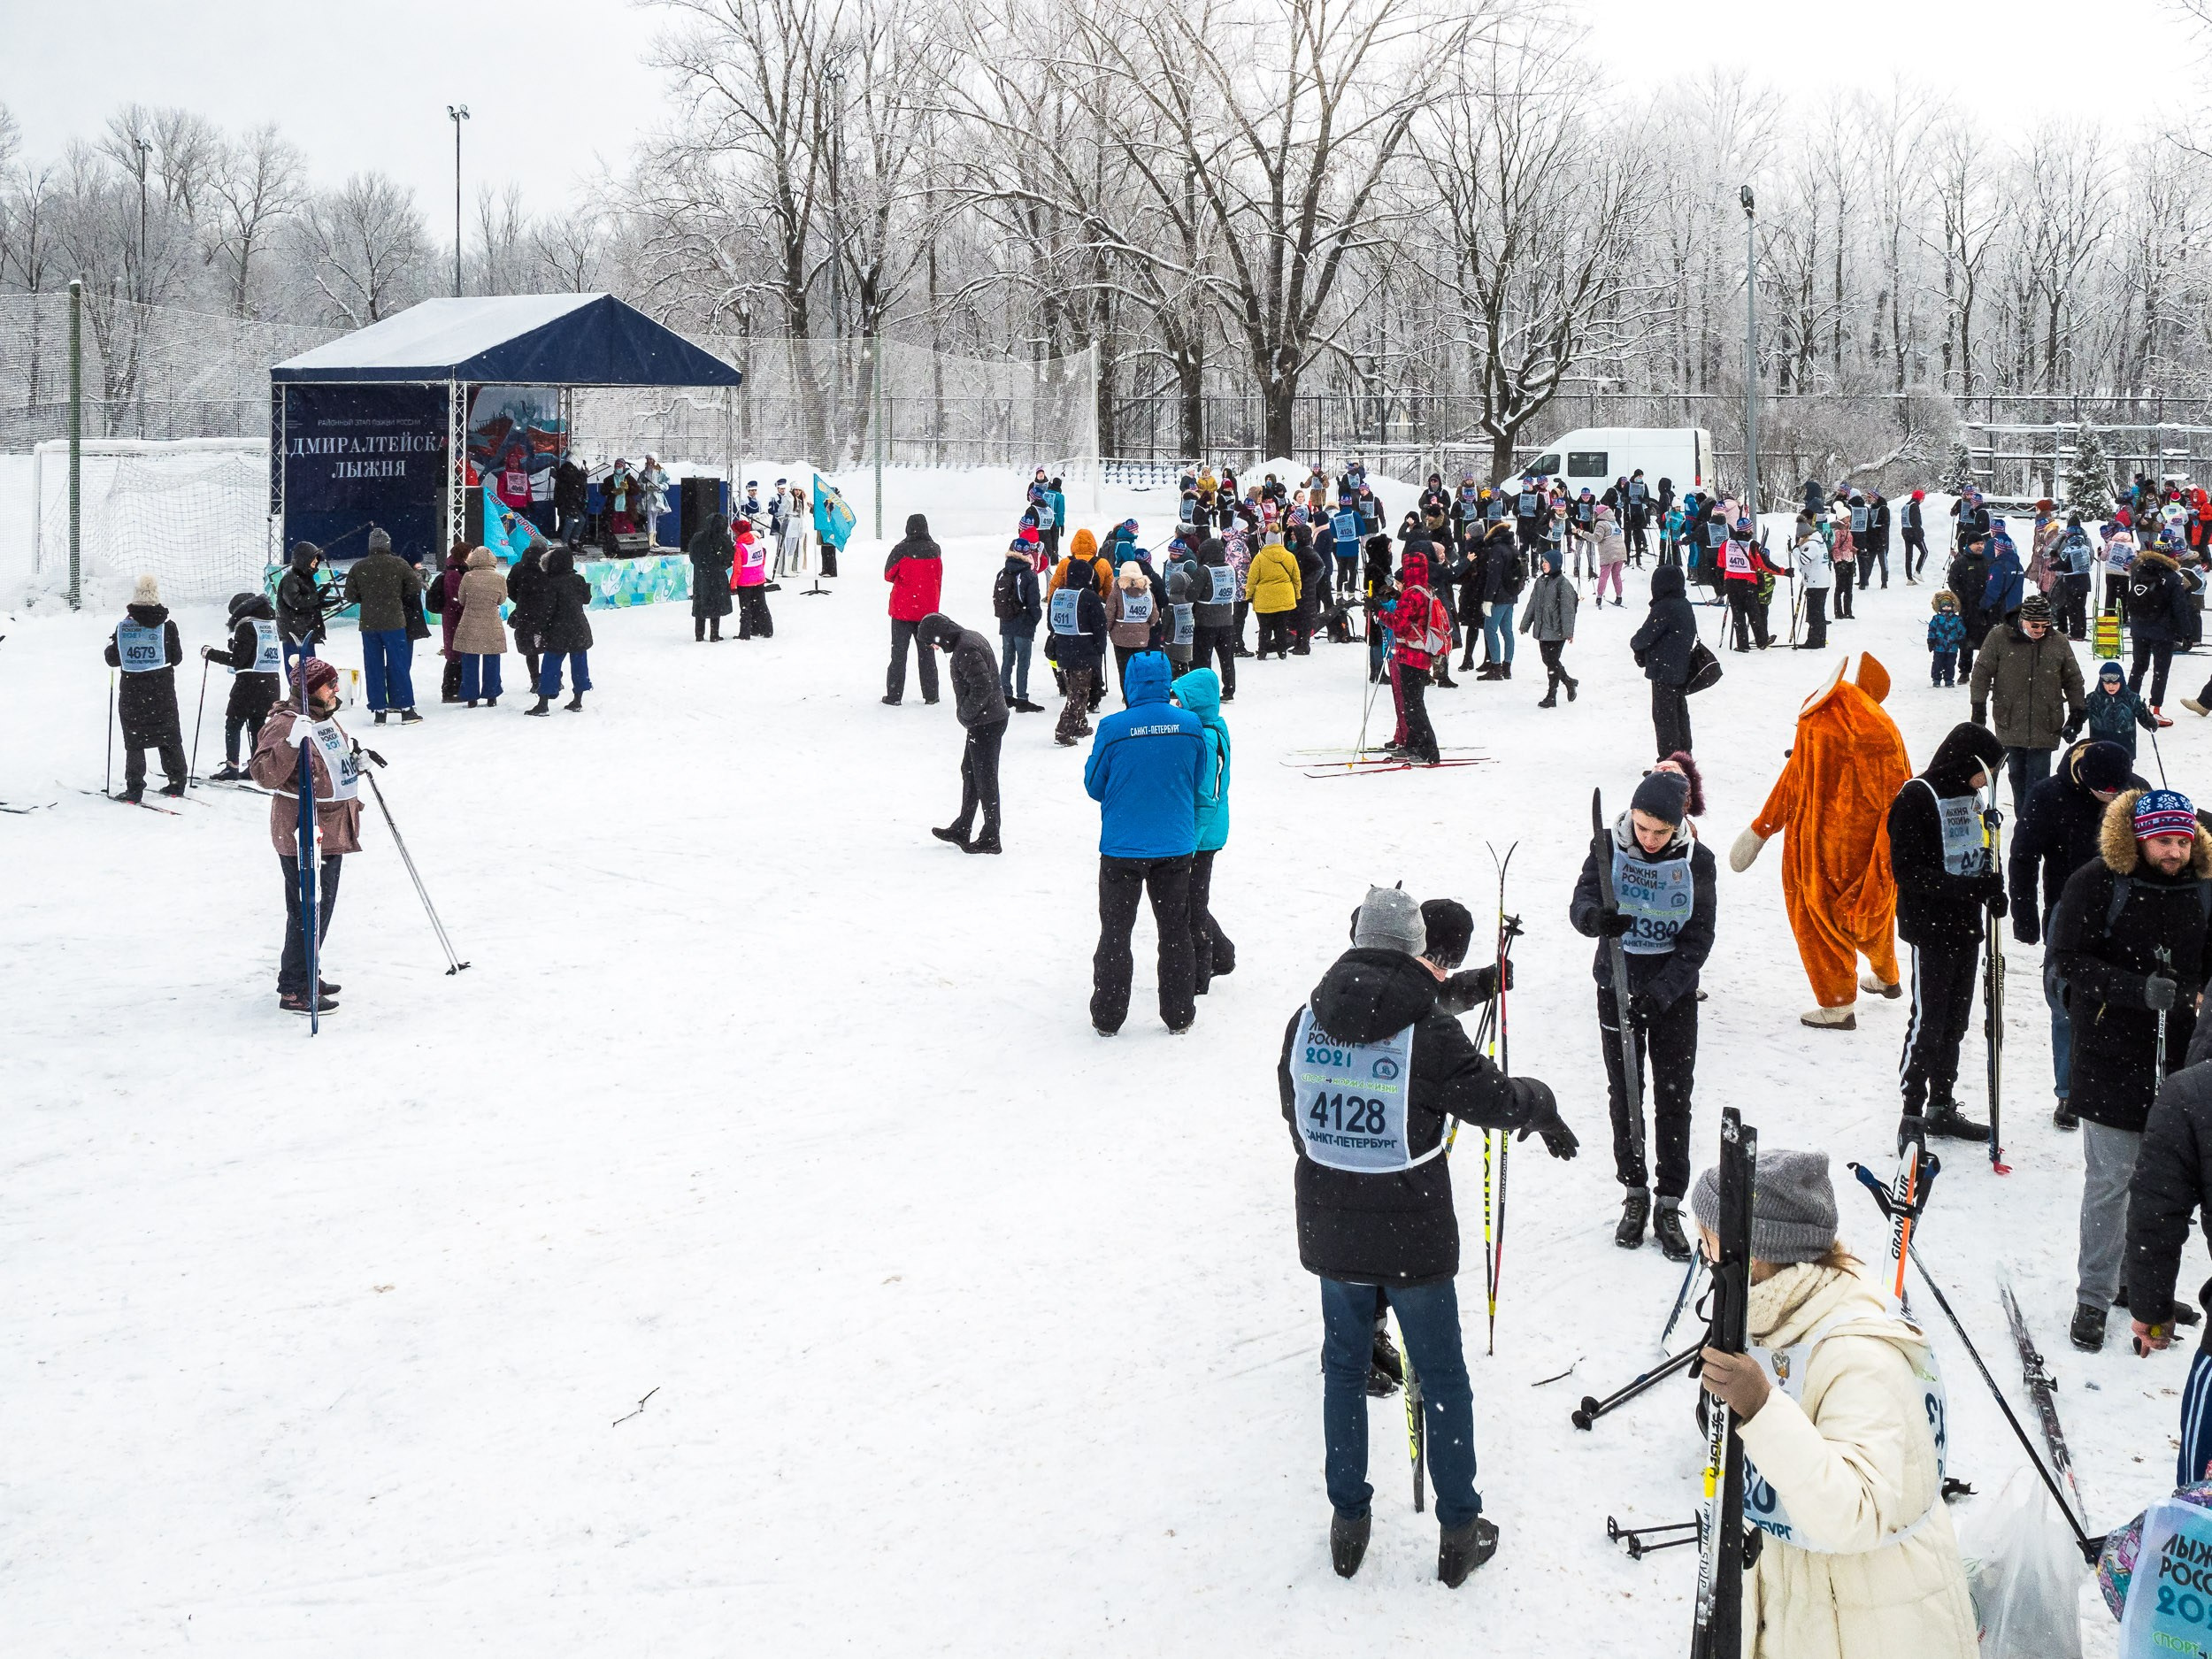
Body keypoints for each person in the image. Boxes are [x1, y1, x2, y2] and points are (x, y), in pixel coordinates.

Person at [1279, 886, 1576, 1585]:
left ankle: (1348, 1521)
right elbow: (1494, 1101)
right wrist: (1541, 1102)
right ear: (1416, 948)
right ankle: (1458, 1529)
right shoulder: (1428, 1029)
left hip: (1332, 1232)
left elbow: (1292, 1107)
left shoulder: (1305, 1016)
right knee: (1441, 1375)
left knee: (1344, 1371)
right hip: (1413, 1236)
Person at [1687, 1151, 1978, 1659]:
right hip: (1806, 1607)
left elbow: (1856, 1513)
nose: (1704, 1257)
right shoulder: (1777, 1317)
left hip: (1874, 1622)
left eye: (1708, 1242)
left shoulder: (1857, 1354)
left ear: (1755, 1256)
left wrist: (1761, 1409)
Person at [2051, 787, 2212, 1350]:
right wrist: (2136, 990)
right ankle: (2093, 1296)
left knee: (2162, 1188)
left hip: (2183, 1065)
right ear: (2139, 837)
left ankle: (2142, 1291)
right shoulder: (2095, 882)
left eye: (2183, 841)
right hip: (2110, 1059)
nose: (2175, 852)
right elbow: (2067, 961)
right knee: (2110, 1183)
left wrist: (2193, 996)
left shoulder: (2204, 888)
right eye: (2164, 841)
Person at [1572, 768, 1716, 1257]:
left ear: (1678, 825)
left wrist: (1662, 993)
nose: (1650, 839)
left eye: (1661, 831)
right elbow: (1581, 902)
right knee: (1625, 1091)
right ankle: (1634, 1191)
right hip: (1617, 985)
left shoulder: (1699, 862)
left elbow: (1698, 939)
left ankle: (1668, 1199)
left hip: (1669, 995)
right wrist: (1597, 919)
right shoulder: (1608, 846)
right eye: (1642, 827)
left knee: (1674, 1096)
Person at [1886, 721, 2008, 1142]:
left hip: (1965, 924)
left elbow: (1979, 854)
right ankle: (1911, 1111)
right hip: (1931, 925)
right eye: (1985, 771)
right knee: (1929, 1021)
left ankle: (1942, 1102)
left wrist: (1992, 888)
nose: (1988, 781)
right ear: (1964, 761)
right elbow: (1907, 870)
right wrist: (1965, 888)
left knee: (1956, 1021)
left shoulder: (1971, 797)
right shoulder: (1916, 796)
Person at [2011, 740, 2141, 1133]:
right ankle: (2069, 1092)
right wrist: (2025, 917)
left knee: (2121, 1001)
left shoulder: (2136, 790)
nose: (2110, 798)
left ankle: (2119, 1086)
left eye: (2117, 791)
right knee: (2066, 1004)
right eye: (2104, 790)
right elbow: (2023, 855)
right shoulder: (2048, 795)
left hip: (2125, 915)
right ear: (2084, 775)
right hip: (2066, 913)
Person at [1084, 652, 1208, 1035]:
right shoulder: (1190, 725)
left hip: (1123, 846)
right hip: (1175, 844)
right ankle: (1179, 1014)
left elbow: (1094, 785)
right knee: (1174, 930)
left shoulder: (1113, 727)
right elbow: (1198, 777)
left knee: (1116, 932)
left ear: (1129, 683)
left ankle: (1108, 1016)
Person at [248, 657, 360, 1016]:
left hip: (331, 826)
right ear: (309, 689)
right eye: (329, 684)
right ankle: (294, 987)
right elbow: (264, 774)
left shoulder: (323, 718)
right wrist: (290, 744)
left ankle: (308, 970)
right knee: (306, 909)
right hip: (304, 831)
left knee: (319, 908)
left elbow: (328, 762)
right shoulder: (285, 725)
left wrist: (355, 760)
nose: (337, 689)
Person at [1969, 591, 2085, 821]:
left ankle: (2034, 820)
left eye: (2045, 625)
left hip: (2046, 721)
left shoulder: (2058, 641)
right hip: (2010, 720)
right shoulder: (1998, 637)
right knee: (2017, 775)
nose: (2040, 630)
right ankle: (2025, 818)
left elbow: (2073, 678)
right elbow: (1981, 673)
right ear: (2023, 620)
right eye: (2035, 625)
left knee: (2039, 777)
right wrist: (1978, 708)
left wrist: (2077, 712)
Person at [916, 613, 1007, 854]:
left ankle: (991, 836)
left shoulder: (965, 648)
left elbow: (982, 686)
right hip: (986, 720)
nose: (934, 648)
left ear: (940, 635)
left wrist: (966, 713)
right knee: (971, 771)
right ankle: (963, 826)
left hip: (987, 722)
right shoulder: (966, 640)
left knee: (985, 778)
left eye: (932, 643)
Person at [1176, 665, 1235, 995]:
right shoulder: (1206, 729)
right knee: (1192, 898)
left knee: (1193, 903)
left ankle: (1203, 970)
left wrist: (1192, 842)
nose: (1179, 706)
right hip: (1201, 831)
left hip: (1204, 835)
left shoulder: (1208, 737)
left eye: (1184, 701)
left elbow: (1207, 797)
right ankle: (1223, 954)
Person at [103, 573, 187, 800]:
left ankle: (134, 788)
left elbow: (112, 659)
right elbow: (177, 658)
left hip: (132, 691)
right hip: (162, 690)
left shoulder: (123, 627)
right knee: (169, 735)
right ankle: (177, 781)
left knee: (135, 740)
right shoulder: (168, 626)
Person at [344, 528, 426, 726]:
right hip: (394, 622)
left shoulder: (359, 567)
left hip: (369, 624)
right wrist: (396, 593)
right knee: (398, 665)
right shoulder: (399, 564)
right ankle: (405, 709)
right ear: (388, 544)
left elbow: (350, 595)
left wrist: (368, 598)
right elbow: (415, 587)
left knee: (373, 666)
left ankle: (379, 711)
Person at [201, 589, 283, 781]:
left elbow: (238, 660)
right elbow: (255, 652)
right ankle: (256, 766)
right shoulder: (270, 624)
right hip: (271, 681)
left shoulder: (246, 625)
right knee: (256, 724)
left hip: (249, 683)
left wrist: (211, 653)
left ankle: (232, 766)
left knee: (234, 723)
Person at [1376, 555, 1451, 765]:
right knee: (1412, 704)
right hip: (1419, 653)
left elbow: (1400, 624)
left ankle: (1428, 749)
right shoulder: (1424, 590)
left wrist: (1379, 613)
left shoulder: (1411, 594)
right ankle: (1414, 744)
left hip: (1411, 654)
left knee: (1414, 706)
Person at [1629, 564, 1698, 759]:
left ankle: (1669, 761)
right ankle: (1684, 756)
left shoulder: (1665, 606)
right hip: (1680, 667)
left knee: (1664, 717)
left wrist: (1636, 645)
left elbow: (1644, 636)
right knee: (1679, 714)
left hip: (1664, 669)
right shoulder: (1683, 603)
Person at [1048, 555, 1110, 747]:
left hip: (1063, 649)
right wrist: (1100, 647)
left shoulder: (1058, 593)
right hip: (1084, 650)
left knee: (1073, 688)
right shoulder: (1089, 597)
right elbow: (1100, 626)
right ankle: (1064, 730)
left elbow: (1051, 624)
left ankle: (1079, 724)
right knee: (1080, 692)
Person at [883, 513, 943, 706]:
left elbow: (888, 574)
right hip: (927, 613)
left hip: (902, 611)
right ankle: (931, 695)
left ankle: (894, 696)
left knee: (898, 655)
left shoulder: (901, 549)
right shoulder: (935, 550)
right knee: (927, 656)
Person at [2127, 541, 2190, 720]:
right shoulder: (2173, 577)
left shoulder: (2138, 570)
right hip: (2163, 630)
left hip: (2139, 627)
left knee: (2138, 666)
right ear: (2170, 555)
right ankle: (2155, 709)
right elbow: (2180, 608)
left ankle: (2129, 703)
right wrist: (2186, 633)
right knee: (2160, 671)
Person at [527, 548, 593, 715]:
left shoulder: (552, 583)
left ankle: (543, 703)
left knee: (551, 664)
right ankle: (578, 700)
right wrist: (586, 589)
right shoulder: (578, 579)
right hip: (578, 627)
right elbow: (586, 600)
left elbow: (547, 610)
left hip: (558, 630)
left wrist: (539, 628)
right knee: (579, 664)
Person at [1520, 549, 1578, 708]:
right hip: (1542, 629)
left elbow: (1568, 610)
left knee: (1552, 662)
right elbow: (1532, 604)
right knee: (1548, 660)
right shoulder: (1540, 581)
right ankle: (1568, 681)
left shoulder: (1563, 584)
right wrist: (1525, 623)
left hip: (1556, 630)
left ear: (1555, 564)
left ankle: (1551, 696)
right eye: (1543, 562)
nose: (1543, 564)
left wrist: (1568, 632)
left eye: (1547, 562)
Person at [452, 547, 510, 706]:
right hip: (492, 622)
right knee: (492, 658)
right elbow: (502, 600)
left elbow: (462, 600)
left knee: (470, 659)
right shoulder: (499, 578)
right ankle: (491, 695)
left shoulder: (468, 577)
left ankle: (471, 696)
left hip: (470, 622)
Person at [992, 538, 1045, 712]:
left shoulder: (1002, 572)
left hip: (1006, 621)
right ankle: (1022, 698)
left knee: (1007, 659)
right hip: (1023, 623)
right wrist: (1034, 619)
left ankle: (1005, 695)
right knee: (1023, 661)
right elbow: (1034, 604)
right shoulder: (1029, 575)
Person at [2072, 659, 2160, 759]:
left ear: (2121, 681)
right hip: (2099, 747)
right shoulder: (2093, 699)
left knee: (2123, 773)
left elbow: (2143, 716)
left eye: (2115, 683)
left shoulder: (2131, 698)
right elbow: (2079, 717)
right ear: (2101, 683)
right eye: (2107, 683)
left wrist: (2149, 721)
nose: (2111, 686)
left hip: (2125, 746)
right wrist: (2072, 727)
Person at [274, 541, 337, 676]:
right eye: (313, 557)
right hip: (295, 634)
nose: (316, 561)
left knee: (310, 673)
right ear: (303, 559)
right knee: (297, 673)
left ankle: (308, 696)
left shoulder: (305, 577)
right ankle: (298, 696)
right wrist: (319, 596)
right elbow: (296, 602)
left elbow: (307, 604)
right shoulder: (291, 578)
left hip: (305, 632)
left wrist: (323, 602)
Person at [1474, 519, 1521, 680]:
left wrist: (1488, 599)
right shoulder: (1513, 547)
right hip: (1511, 594)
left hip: (1499, 597)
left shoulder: (1496, 549)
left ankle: (1496, 666)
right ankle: (1507, 666)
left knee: (1490, 630)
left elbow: (1494, 576)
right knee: (1507, 631)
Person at [1108, 559, 1159, 698]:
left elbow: (1109, 614)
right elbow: (1154, 616)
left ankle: (1127, 695)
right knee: (1140, 669)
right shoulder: (1147, 592)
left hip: (1120, 639)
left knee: (1124, 669)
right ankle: (1140, 695)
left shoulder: (1117, 592)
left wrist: (1109, 629)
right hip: (1142, 639)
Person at [1946, 533, 1991, 682]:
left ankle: (1986, 674)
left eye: (1982, 544)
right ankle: (1964, 672)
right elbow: (1953, 582)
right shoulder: (1960, 563)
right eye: (1977, 543)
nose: (1980, 546)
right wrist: (1963, 598)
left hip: (1985, 608)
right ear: (1969, 545)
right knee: (1966, 642)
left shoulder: (1987, 562)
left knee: (1987, 643)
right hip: (1967, 609)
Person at [1248, 534, 1301, 659]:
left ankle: (1262, 652)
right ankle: (1282, 652)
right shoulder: (1289, 556)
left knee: (1264, 628)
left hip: (1264, 599)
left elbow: (1252, 579)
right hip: (1285, 597)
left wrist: (1248, 594)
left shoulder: (1259, 558)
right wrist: (1297, 594)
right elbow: (1296, 578)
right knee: (1281, 626)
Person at [507, 543, 549, 690]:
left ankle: (535, 679)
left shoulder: (518, 568)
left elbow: (510, 589)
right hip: (546, 613)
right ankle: (551, 677)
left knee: (530, 649)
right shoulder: (548, 568)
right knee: (550, 646)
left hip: (525, 612)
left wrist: (521, 600)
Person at [687, 511, 733, 642]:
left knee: (700, 604)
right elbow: (729, 557)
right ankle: (714, 634)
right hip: (717, 576)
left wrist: (702, 566)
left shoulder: (698, 537)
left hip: (701, 576)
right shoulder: (724, 539)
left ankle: (699, 635)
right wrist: (720, 566)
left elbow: (692, 556)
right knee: (716, 605)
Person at [1790, 513, 1833, 649]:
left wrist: (1795, 550)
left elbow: (1804, 560)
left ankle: (1813, 640)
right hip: (1821, 581)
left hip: (1816, 583)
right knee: (1819, 613)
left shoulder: (1812, 545)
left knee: (1814, 614)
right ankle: (1820, 639)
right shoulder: (1819, 542)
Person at [434, 539, 469, 703]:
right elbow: (456, 600)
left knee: (455, 653)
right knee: (455, 655)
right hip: (454, 618)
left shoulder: (454, 569)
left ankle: (453, 689)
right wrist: (466, 612)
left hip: (452, 617)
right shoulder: (455, 573)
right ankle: (450, 691)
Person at [733, 518, 774, 639]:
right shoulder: (757, 542)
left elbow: (737, 568)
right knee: (761, 605)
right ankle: (767, 629)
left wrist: (733, 584)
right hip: (759, 579)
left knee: (746, 608)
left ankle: (745, 633)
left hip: (745, 582)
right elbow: (762, 559)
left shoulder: (739, 547)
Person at [1926, 592, 1963, 687]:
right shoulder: (1937, 619)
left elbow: (1961, 630)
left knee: (1950, 664)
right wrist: (1931, 640)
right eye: (1944, 605)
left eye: (1948, 605)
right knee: (1937, 663)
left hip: (1952, 647)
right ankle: (1936, 679)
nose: (1946, 607)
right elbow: (1932, 629)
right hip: (1939, 646)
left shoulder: (1957, 619)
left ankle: (1949, 679)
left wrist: (1961, 639)